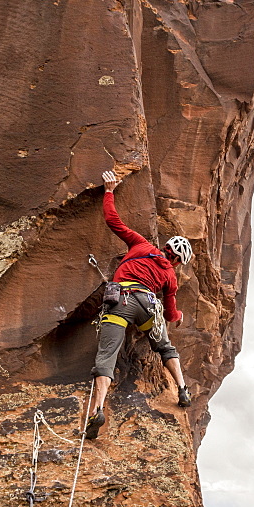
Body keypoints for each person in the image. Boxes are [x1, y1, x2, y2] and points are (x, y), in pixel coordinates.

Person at [84, 170, 193, 440]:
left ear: (165, 247)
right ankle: (182, 389)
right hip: (148, 307)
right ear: (178, 261)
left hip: (120, 301)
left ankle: (97, 410)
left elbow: (114, 221)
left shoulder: (142, 245)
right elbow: (169, 312)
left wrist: (109, 191)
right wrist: (178, 315)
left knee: (106, 357)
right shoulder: (170, 276)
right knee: (165, 347)